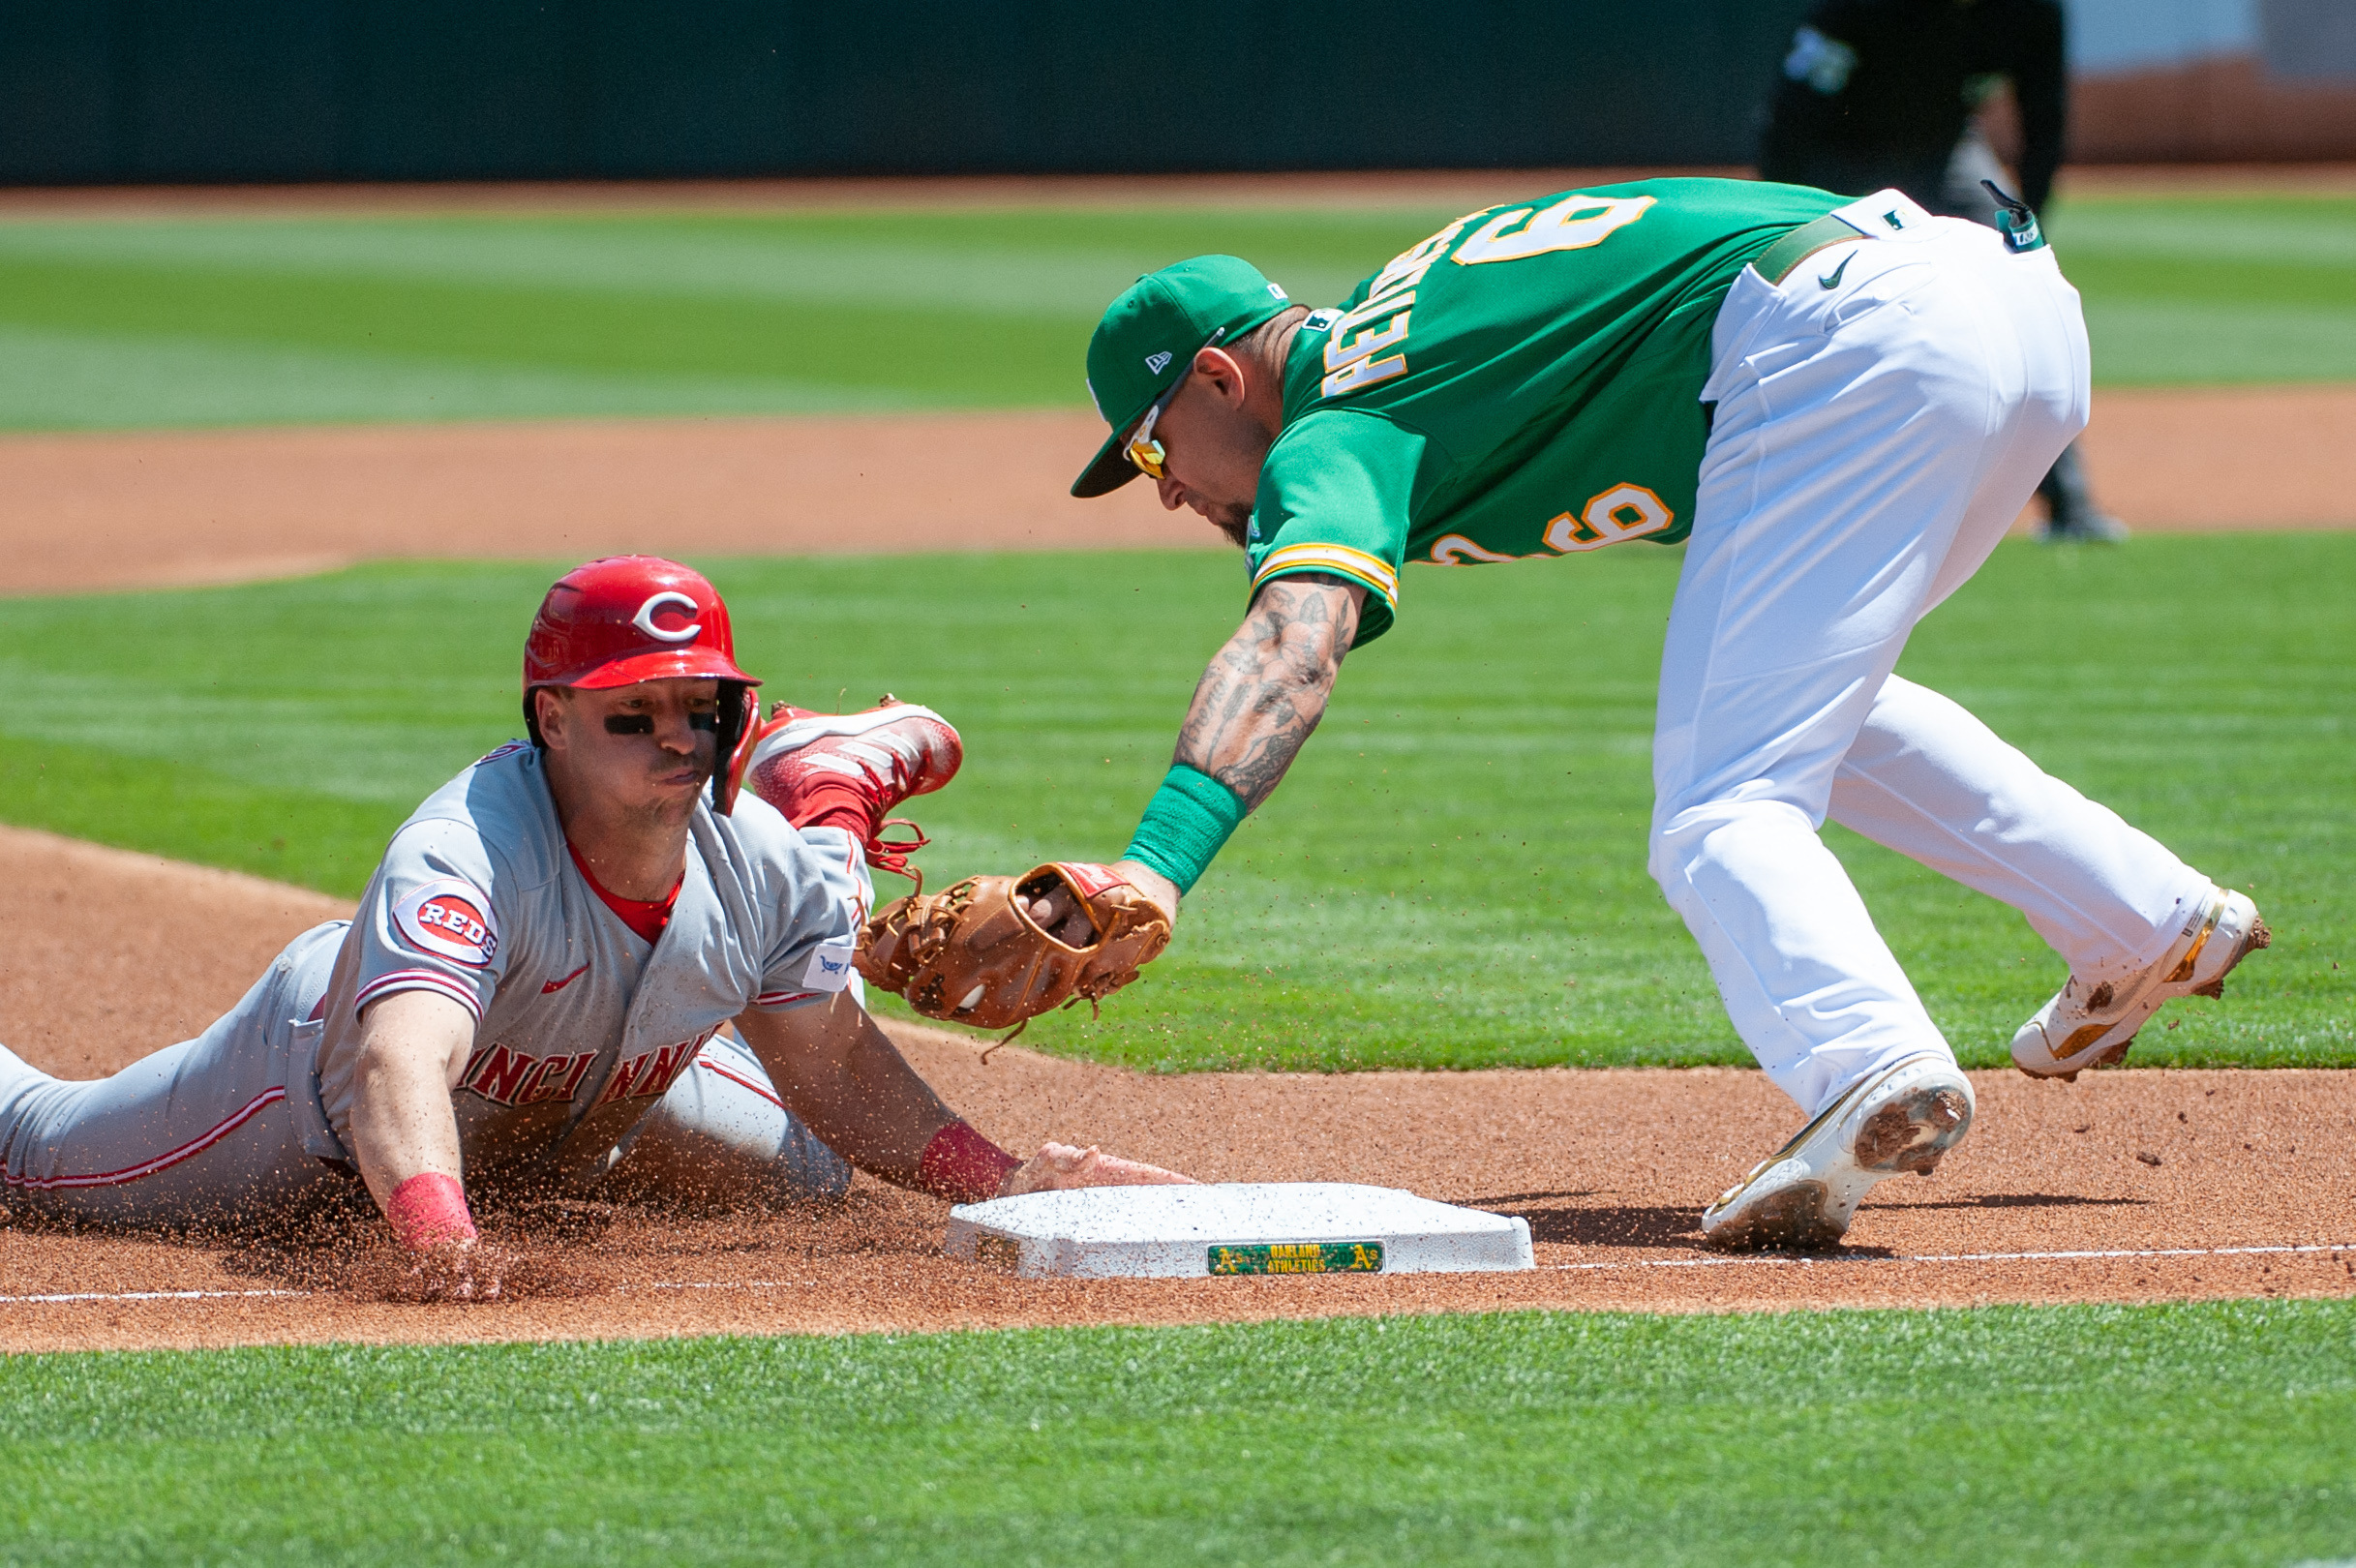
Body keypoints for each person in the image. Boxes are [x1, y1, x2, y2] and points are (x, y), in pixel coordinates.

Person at [1057, 183, 2267, 1251]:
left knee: (1722, 802)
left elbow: (1291, 642)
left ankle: (1868, 1067)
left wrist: (1156, 866)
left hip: (1848, 339)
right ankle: (2144, 920)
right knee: (1810, 708)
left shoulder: (1338, 426)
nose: (1167, 498)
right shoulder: (1403, 315)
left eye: (1157, 456)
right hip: (1999, 307)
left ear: (1219, 376)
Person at [0, 556, 1185, 1299]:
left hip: (604, 1078)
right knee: (30, 1154)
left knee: (815, 1177)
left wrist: (1012, 1182)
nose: (677, 736)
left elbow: (830, 1062)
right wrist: (437, 1240)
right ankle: (826, 804)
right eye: (634, 714)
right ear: (553, 720)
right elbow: (395, 1062)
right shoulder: (462, 850)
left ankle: (821, 798)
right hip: (306, 1086)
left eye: (706, 709)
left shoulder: (744, 858)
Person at [1756, 0, 2128, 543]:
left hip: (1945, 149)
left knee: (2026, 304)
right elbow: (1791, 109)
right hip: (1843, 158)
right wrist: (1791, 219)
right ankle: (1768, 498)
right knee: (1814, 326)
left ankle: (2068, 506)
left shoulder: (2031, 10)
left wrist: (2026, 241)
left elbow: (2044, 115)